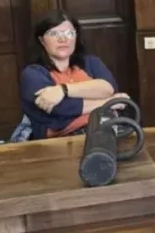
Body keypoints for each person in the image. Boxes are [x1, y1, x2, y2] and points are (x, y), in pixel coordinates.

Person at [20, 10, 127, 140]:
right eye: (54, 33)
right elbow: (60, 108)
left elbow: (108, 88)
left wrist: (63, 90)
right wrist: (108, 102)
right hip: (66, 138)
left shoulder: (91, 62)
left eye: (69, 33)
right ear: (42, 40)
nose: (63, 39)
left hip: (109, 126)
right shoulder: (33, 73)